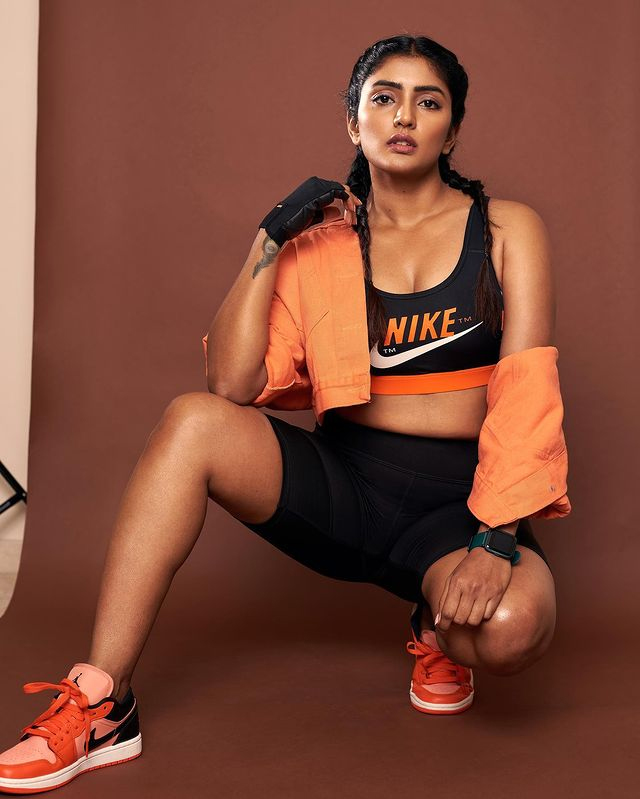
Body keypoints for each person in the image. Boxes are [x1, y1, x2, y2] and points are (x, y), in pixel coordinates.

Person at [0, 33, 569, 794]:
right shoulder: (322, 243)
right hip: (348, 486)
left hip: (460, 507)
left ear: (453, 129)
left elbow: (528, 388)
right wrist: (268, 243)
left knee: (510, 630)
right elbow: (230, 383)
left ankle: (435, 623)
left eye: (427, 102)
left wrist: (495, 539)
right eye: (384, 98)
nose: (404, 116)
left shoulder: (506, 229)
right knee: (191, 421)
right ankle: (104, 700)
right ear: (353, 122)